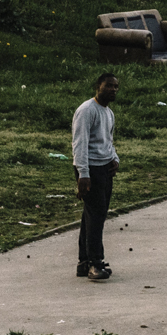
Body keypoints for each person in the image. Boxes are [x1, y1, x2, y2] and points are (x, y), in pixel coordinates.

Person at [71, 72, 121, 282]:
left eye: (116, 87)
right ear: (98, 86)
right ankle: (95, 263)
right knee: (97, 217)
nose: (113, 90)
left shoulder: (108, 113)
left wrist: (114, 158)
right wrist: (83, 174)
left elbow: (107, 140)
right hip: (89, 170)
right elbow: (80, 143)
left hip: (104, 168)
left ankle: (84, 262)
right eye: (108, 86)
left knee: (91, 215)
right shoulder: (86, 111)